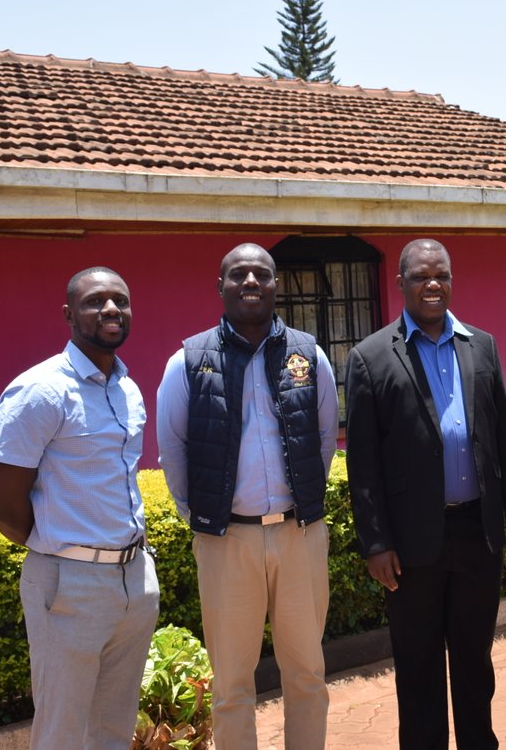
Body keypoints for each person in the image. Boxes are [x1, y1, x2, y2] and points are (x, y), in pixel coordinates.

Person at [343, 238, 506, 750]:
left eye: (442, 275)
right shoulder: (370, 357)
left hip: (477, 534)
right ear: (400, 283)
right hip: (411, 544)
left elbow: (502, 439)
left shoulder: (482, 346)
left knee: (474, 661)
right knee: (418, 666)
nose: (433, 285)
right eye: (421, 276)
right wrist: (375, 542)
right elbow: (363, 465)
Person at [157, 243, 338, 750]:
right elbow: (173, 447)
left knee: (307, 674)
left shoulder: (309, 354)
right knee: (232, 684)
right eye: (239, 275)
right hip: (226, 541)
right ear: (221, 287)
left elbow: (325, 437)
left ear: (277, 285)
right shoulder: (187, 361)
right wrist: (203, 516)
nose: (251, 282)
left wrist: (302, 500)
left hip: (299, 536)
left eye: (262, 273)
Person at [0, 267, 159, 750]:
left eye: (120, 300)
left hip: (133, 580)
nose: (111, 309)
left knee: (113, 729)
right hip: (69, 585)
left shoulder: (127, 389)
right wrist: (62, 552)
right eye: (95, 301)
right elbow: (3, 505)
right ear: (68, 314)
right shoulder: (40, 391)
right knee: (61, 733)